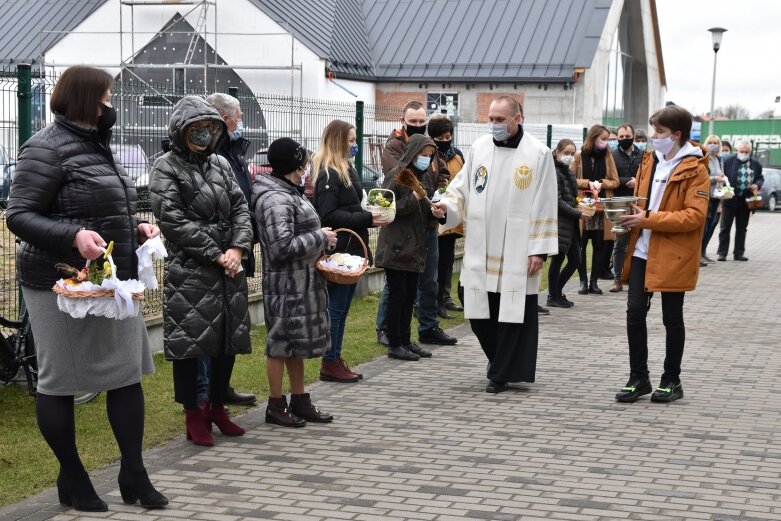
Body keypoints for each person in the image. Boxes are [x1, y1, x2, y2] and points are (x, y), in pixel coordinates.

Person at [6, 65, 167, 511]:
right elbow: (18, 215)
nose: (111, 104)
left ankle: (133, 472)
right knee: (59, 382)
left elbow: (100, 207)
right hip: (59, 284)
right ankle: (73, 477)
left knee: (126, 375)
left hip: (110, 281)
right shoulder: (45, 148)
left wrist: (134, 228)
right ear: (87, 99)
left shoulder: (98, 146)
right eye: (107, 96)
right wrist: (73, 235)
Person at [433, 96, 558, 393]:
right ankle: (502, 362)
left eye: (500, 119)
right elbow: (460, 189)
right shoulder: (479, 149)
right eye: (491, 119)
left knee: (513, 313)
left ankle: (499, 374)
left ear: (518, 118)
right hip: (481, 247)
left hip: (517, 251)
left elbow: (545, 204)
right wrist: (446, 207)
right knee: (475, 307)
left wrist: (538, 250)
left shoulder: (538, 154)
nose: (494, 125)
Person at [150, 96, 253, 447]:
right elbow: (172, 221)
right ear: (180, 131)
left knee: (227, 339)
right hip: (191, 270)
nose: (204, 135)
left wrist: (237, 248)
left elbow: (241, 207)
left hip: (229, 266)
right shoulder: (165, 166)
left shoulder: (222, 164)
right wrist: (216, 253)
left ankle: (218, 406)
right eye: (196, 129)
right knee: (192, 343)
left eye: (209, 129)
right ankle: (194, 412)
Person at [614, 105, 709, 403]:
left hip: (674, 254)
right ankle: (638, 378)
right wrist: (623, 215)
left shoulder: (696, 168)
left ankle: (672, 380)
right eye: (654, 130)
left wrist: (648, 219)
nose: (654, 137)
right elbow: (642, 203)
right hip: (641, 250)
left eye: (660, 132)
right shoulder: (649, 161)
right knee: (634, 314)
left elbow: (693, 216)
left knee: (672, 318)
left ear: (677, 135)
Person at [252, 137, 336, 427]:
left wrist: (322, 240)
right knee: (279, 343)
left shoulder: (290, 191)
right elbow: (281, 246)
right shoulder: (275, 197)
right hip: (285, 285)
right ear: (296, 165)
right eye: (305, 162)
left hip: (302, 281)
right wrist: (321, 237)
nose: (308, 166)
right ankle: (276, 405)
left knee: (294, 344)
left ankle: (300, 399)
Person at [375, 101, 455, 347]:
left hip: (424, 227)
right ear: (404, 120)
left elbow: (440, 173)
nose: (419, 125)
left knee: (426, 282)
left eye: (423, 122)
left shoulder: (428, 150)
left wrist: (438, 205)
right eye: (415, 121)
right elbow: (395, 194)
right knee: (397, 289)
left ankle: (425, 328)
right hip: (402, 234)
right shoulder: (396, 149)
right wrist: (418, 197)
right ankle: (388, 331)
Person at [313, 120, 386, 382]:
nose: (355, 145)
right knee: (336, 308)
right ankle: (329, 360)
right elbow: (329, 214)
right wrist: (367, 219)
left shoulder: (346, 169)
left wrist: (370, 215)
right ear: (338, 141)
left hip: (353, 250)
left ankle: (334, 357)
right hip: (340, 252)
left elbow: (353, 205)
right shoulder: (329, 174)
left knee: (342, 309)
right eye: (351, 140)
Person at [202, 92, 258, 406]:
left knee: (232, 327)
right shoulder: (211, 155)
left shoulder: (233, 153)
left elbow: (242, 201)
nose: (240, 124)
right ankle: (208, 392)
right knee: (212, 329)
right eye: (238, 118)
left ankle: (221, 388)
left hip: (237, 249)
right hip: (217, 254)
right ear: (224, 120)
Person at [571, 125, 619, 295]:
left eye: (607, 139)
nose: (606, 143)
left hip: (600, 208)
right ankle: (583, 281)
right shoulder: (578, 156)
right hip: (583, 207)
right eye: (603, 139)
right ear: (593, 138)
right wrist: (587, 183)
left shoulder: (607, 156)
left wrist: (601, 183)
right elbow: (571, 179)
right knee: (581, 245)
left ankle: (594, 282)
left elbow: (615, 181)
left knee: (599, 245)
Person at [428, 114, 465, 319]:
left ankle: (445, 297)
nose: (444, 141)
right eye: (440, 138)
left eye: (447, 136)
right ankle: (435, 303)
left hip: (453, 216)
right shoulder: (429, 156)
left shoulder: (458, 155)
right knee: (435, 263)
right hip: (436, 215)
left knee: (448, 261)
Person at [547, 139, 588, 308]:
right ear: (557, 152)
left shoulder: (568, 172)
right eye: (566, 153)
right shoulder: (553, 172)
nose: (570, 157)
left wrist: (583, 205)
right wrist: (578, 213)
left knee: (575, 260)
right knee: (558, 259)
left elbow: (571, 197)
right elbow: (556, 201)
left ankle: (556, 292)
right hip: (559, 222)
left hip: (569, 223)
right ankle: (553, 294)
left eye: (572, 154)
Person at [716, 141, 763, 262]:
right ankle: (722, 253)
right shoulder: (728, 161)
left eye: (746, 152)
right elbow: (722, 175)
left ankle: (739, 253)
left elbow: (760, 177)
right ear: (737, 150)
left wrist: (757, 184)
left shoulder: (755, 164)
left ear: (750, 152)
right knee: (725, 227)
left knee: (742, 228)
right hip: (730, 199)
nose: (744, 154)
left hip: (745, 200)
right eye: (742, 151)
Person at [609, 123, 642, 292]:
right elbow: (609, 177)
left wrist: (638, 182)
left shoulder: (643, 155)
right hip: (620, 203)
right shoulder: (612, 156)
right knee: (620, 242)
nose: (624, 140)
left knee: (640, 242)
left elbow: (647, 175)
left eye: (627, 137)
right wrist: (626, 180)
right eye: (621, 137)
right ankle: (617, 279)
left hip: (639, 203)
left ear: (633, 137)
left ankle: (636, 278)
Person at [701, 134, 726, 264]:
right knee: (704, 226)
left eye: (715, 143)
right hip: (707, 196)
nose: (713, 145)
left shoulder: (718, 159)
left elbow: (720, 174)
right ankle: (698, 255)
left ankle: (703, 252)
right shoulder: (704, 158)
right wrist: (715, 179)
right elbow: (702, 177)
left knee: (711, 225)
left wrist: (722, 178)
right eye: (710, 142)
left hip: (717, 196)